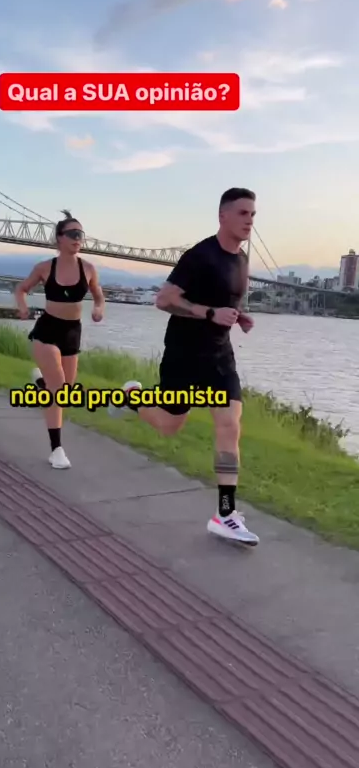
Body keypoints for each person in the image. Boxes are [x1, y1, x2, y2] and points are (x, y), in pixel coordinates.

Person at [109, 188, 259, 546]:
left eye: (253, 214)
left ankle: (225, 514)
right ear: (222, 216)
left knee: (229, 425)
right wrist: (208, 313)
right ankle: (132, 397)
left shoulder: (242, 260)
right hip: (184, 354)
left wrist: (238, 316)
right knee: (169, 426)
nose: (250, 220)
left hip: (220, 357)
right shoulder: (199, 256)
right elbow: (164, 300)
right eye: (243, 213)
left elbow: (225, 301)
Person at [15, 210, 105, 469]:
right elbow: (21, 289)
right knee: (58, 390)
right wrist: (22, 307)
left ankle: (41, 383)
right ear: (59, 238)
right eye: (73, 234)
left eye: (81, 234)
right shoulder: (45, 267)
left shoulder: (88, 269)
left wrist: (98, 309)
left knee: (66, 392)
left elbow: (99, 296)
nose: (78, 238)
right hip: (48, 330)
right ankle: (57, 450)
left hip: (72, 332)